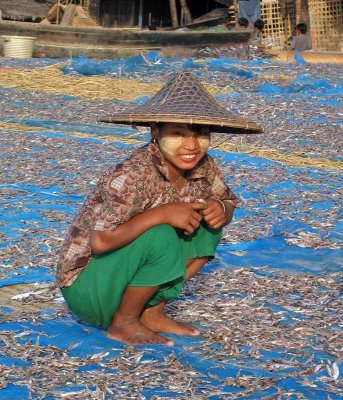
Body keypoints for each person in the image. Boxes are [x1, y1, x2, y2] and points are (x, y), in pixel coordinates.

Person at [55, 71, 263, 346]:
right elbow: (101, 242)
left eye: (200, 133)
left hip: (125, 282)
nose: (191, 145)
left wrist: (222, 209)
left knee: (208, 227)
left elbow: (227, 200)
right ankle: (123, 323)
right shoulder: (132, 174)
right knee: (161, 234)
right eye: (178, 133)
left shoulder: (205, 166)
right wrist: (161, 214)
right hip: (89, 289)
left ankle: (151, 311)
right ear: (155, 132)